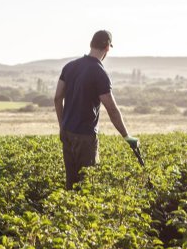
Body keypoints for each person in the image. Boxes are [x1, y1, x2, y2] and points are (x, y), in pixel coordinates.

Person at [54, 30, 139, 189]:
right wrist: (127, 136)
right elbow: (112, 109)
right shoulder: (100, 73)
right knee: (88, 184)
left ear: (91, 44)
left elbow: (58, 98)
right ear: (107, 48)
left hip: (67, 133)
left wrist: (62, 126)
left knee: (71, 184)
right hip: (86, 136)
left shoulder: (69, 67)